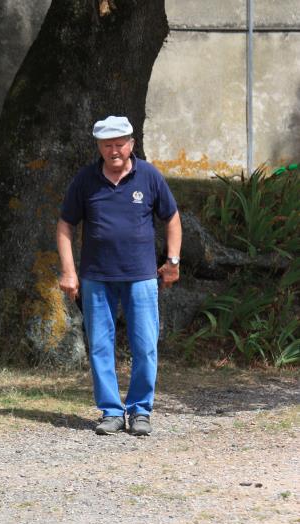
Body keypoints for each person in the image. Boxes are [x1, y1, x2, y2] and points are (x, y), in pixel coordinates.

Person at [57, 115, 182, 436]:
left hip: (141, 277)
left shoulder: (149, 176)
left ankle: (140, 411)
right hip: (96, 277)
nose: (114, 151)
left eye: (119, 145)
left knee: (145, 345)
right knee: (100, 345)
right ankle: (111, 411)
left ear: (131, 144)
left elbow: (171, 218)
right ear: (99, 147)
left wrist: (173, 260)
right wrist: (69, 272)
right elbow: (65, 225)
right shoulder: (85, 180)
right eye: (107, 145)